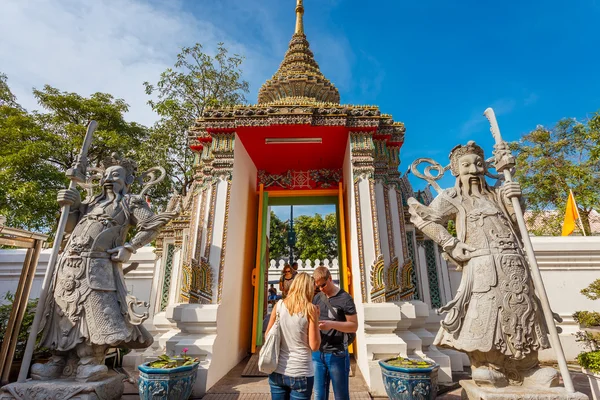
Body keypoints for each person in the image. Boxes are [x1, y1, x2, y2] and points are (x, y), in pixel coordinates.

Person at [407, 141, 558, 388]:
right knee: (487, 314)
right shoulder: (451, 197)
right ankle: (487, 365)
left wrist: (514, 199)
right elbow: (424, 220)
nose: (474, 170)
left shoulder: (498, 194)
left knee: (523, 310)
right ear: (455, 170)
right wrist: (451, 243)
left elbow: (517, 226)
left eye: (478, 164)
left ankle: (527, 366)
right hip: (482, 264)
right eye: (466, 165)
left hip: (513, 262)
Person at [31, 155, 177, 382]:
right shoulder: (89, 204)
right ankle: (57, 359)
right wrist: (68, 205)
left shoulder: (130, 203)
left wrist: (130, 246)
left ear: (128, 180)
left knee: (96, 314)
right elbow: (68, 228)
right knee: (62, 313)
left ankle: (91, 361)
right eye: (106, 175)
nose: (109, 179)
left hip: (99, 268)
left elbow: (152, 225)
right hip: (70, 266)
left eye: (116, 175)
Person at [265, 273, 321, 400]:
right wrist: (316, 319)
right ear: (308, 289)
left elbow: (267, 335)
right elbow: (315, 345)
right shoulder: (310, 309)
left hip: (277, 370)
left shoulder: (278, 305)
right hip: (300, 371)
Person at [311, 266, 358, 400]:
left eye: (323, 285)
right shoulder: (318, 298)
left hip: (337, 353)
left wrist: (331, 324)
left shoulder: (345, 298)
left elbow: (353, 326)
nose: (321, 289)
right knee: (319, 396)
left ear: (330, 279)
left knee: (341, 396)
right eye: (318, 286)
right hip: (318, 353)